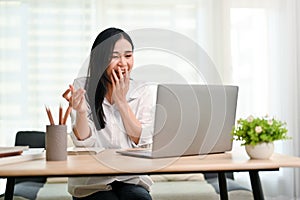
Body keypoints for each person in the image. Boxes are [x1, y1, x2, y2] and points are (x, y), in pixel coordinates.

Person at [65, 28, 155, 200]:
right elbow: (84, 144)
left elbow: (141, 140)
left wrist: (121, 102)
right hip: (92, 181)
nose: (123, 63)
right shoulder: (81, 86)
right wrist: (82, 112)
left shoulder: (142, 90)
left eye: (128, 56)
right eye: (115, 56)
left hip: (130, 178)